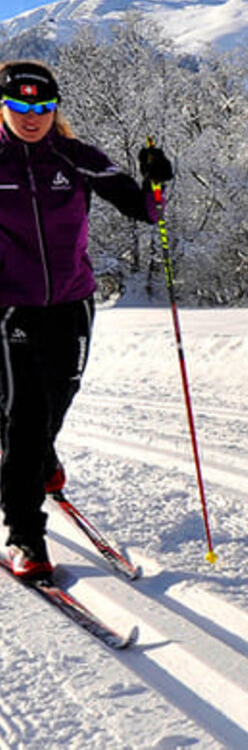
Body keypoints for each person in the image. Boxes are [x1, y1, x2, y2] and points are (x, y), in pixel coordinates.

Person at [1, 60, 172, 581]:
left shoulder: (76, 158)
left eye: (42, 107)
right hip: (10, 307)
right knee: (25, 413)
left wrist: (156, 181)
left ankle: (40, 459)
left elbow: (146, 211)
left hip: (72, 303)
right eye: (20, 105)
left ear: (55, 109)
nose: (31, 116)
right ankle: (25, 535)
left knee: (59, 396)